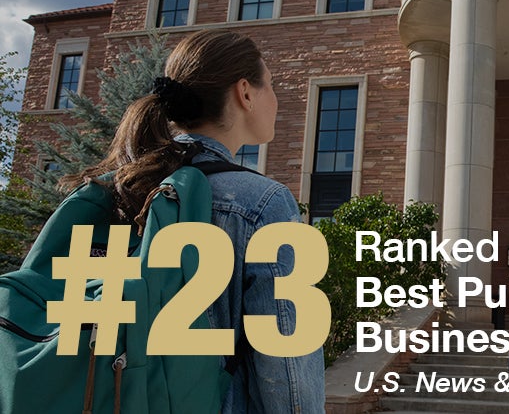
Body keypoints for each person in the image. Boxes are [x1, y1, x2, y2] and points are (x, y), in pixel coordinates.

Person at [61, 29, 325, 413]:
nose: (277, 100)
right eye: (271, 86)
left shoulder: (112, 189)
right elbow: (287, 366)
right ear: (245, 93)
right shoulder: (265, 203)